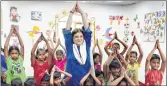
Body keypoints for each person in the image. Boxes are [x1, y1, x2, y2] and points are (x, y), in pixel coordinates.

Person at [63, 2, 92, 86]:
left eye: (81, 36)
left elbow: (87, 30)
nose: (79, 38)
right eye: (76, 37)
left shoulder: (86, 45)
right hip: (70, 81)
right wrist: (71, 13)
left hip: (85, 81)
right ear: (72, 39)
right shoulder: (70, 46)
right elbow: (67, 30)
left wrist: (82, 13)